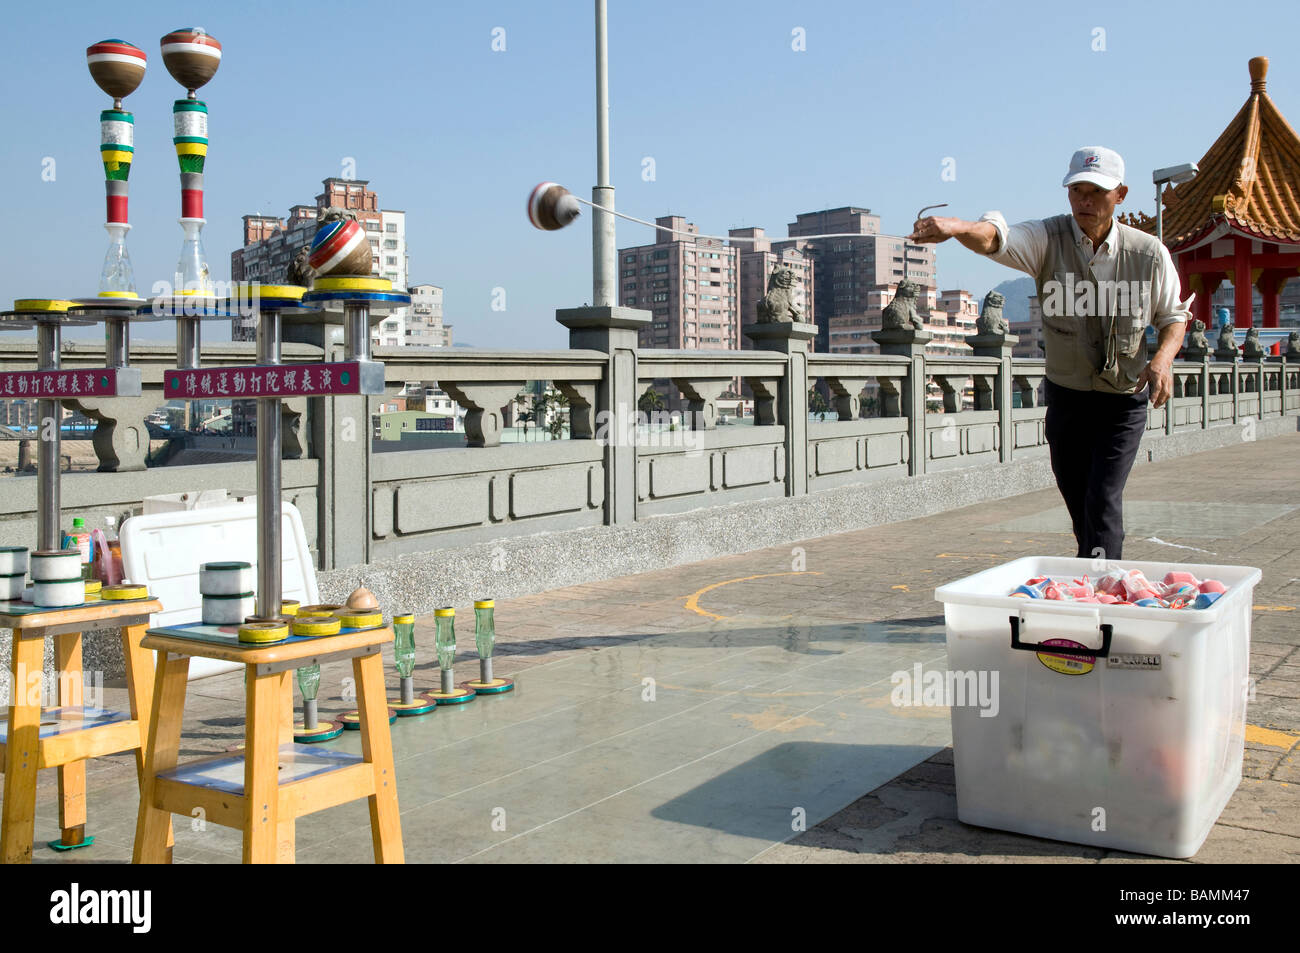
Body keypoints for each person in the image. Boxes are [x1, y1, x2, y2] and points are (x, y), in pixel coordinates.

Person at [909, 146, 1190, 561]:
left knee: (1103, 498)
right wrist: (954, 227)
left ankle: (1101, 592)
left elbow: (1173, 317)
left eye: (1097, 191)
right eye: (1077, 191)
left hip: (1122, 400)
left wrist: (1162, 359)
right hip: (1067, 396)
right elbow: (996, 238)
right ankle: (1093, 573)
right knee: (1078, 500)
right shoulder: (1047, 239)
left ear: (1121, 194)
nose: (1085, 201)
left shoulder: (1148, 254)